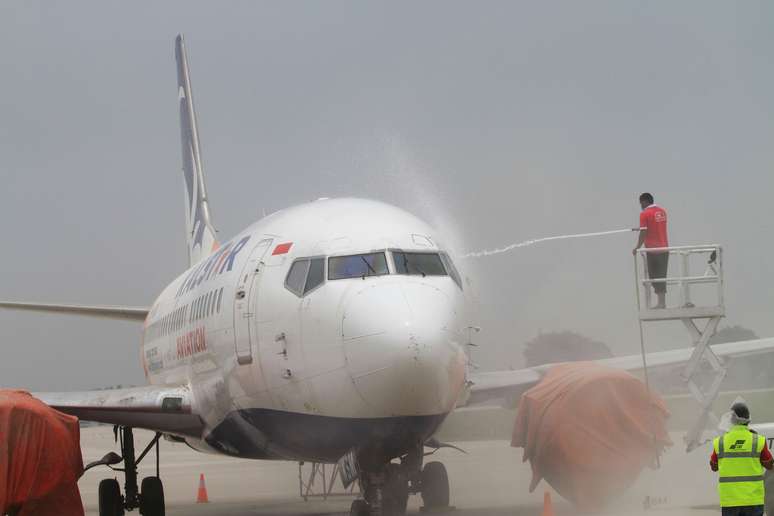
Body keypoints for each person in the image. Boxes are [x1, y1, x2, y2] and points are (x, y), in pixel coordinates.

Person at [710, 402, 774, 516]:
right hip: (753, 499)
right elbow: (769, 465)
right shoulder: (757, 440)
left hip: (730, 501)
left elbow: (713, 466)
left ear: (732, 420)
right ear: (748, 418)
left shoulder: (720, 442)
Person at [632, 192, 669, 308]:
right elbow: (655, 226)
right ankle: (662, 302)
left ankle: (661, 303)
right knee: (662, 275)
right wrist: (640, 228)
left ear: (644, 201)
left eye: (641, 203)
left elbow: (644, 232)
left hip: (653, 250)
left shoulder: (644, 214)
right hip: (665, 248)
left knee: (654, 276)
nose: (640, 206)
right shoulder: (662, 211)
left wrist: (637, 247)